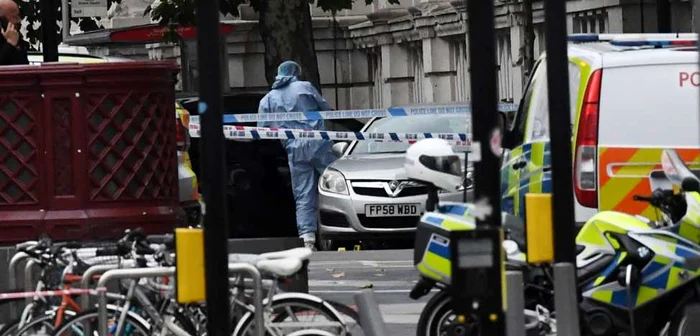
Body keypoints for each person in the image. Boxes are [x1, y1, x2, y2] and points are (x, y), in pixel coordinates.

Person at [258, 61, 337, 250]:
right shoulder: (305, 87)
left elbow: (261, 129)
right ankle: (339, 228)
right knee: (336, 185)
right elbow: (326, 110)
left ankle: (307, 239)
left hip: (294, 148)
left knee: (303, 194)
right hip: (318, 143)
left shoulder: (268, 99)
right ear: (296, 72)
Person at [0, 0, 28, 65]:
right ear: (2, 20)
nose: (19, 20)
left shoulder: (15, 36)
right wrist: (10, 44)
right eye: (15, 17)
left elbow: (24, 66)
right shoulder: (12, 39)